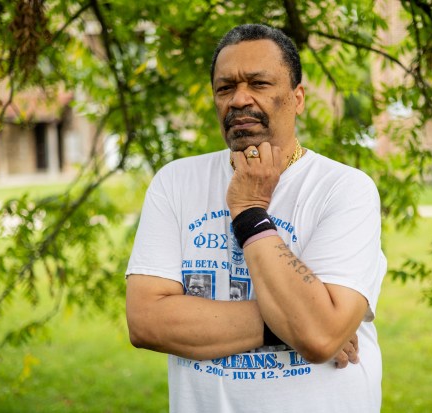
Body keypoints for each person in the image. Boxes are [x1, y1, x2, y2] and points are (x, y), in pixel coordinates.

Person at [125, 23, 386, 412]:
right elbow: (146, 321)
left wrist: (249, 212)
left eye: (259, 84)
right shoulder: (175, 183)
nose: (238, 99)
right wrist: (288, 324)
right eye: (225, 87)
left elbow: (318, 336)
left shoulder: (345, 189)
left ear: (297, 98)